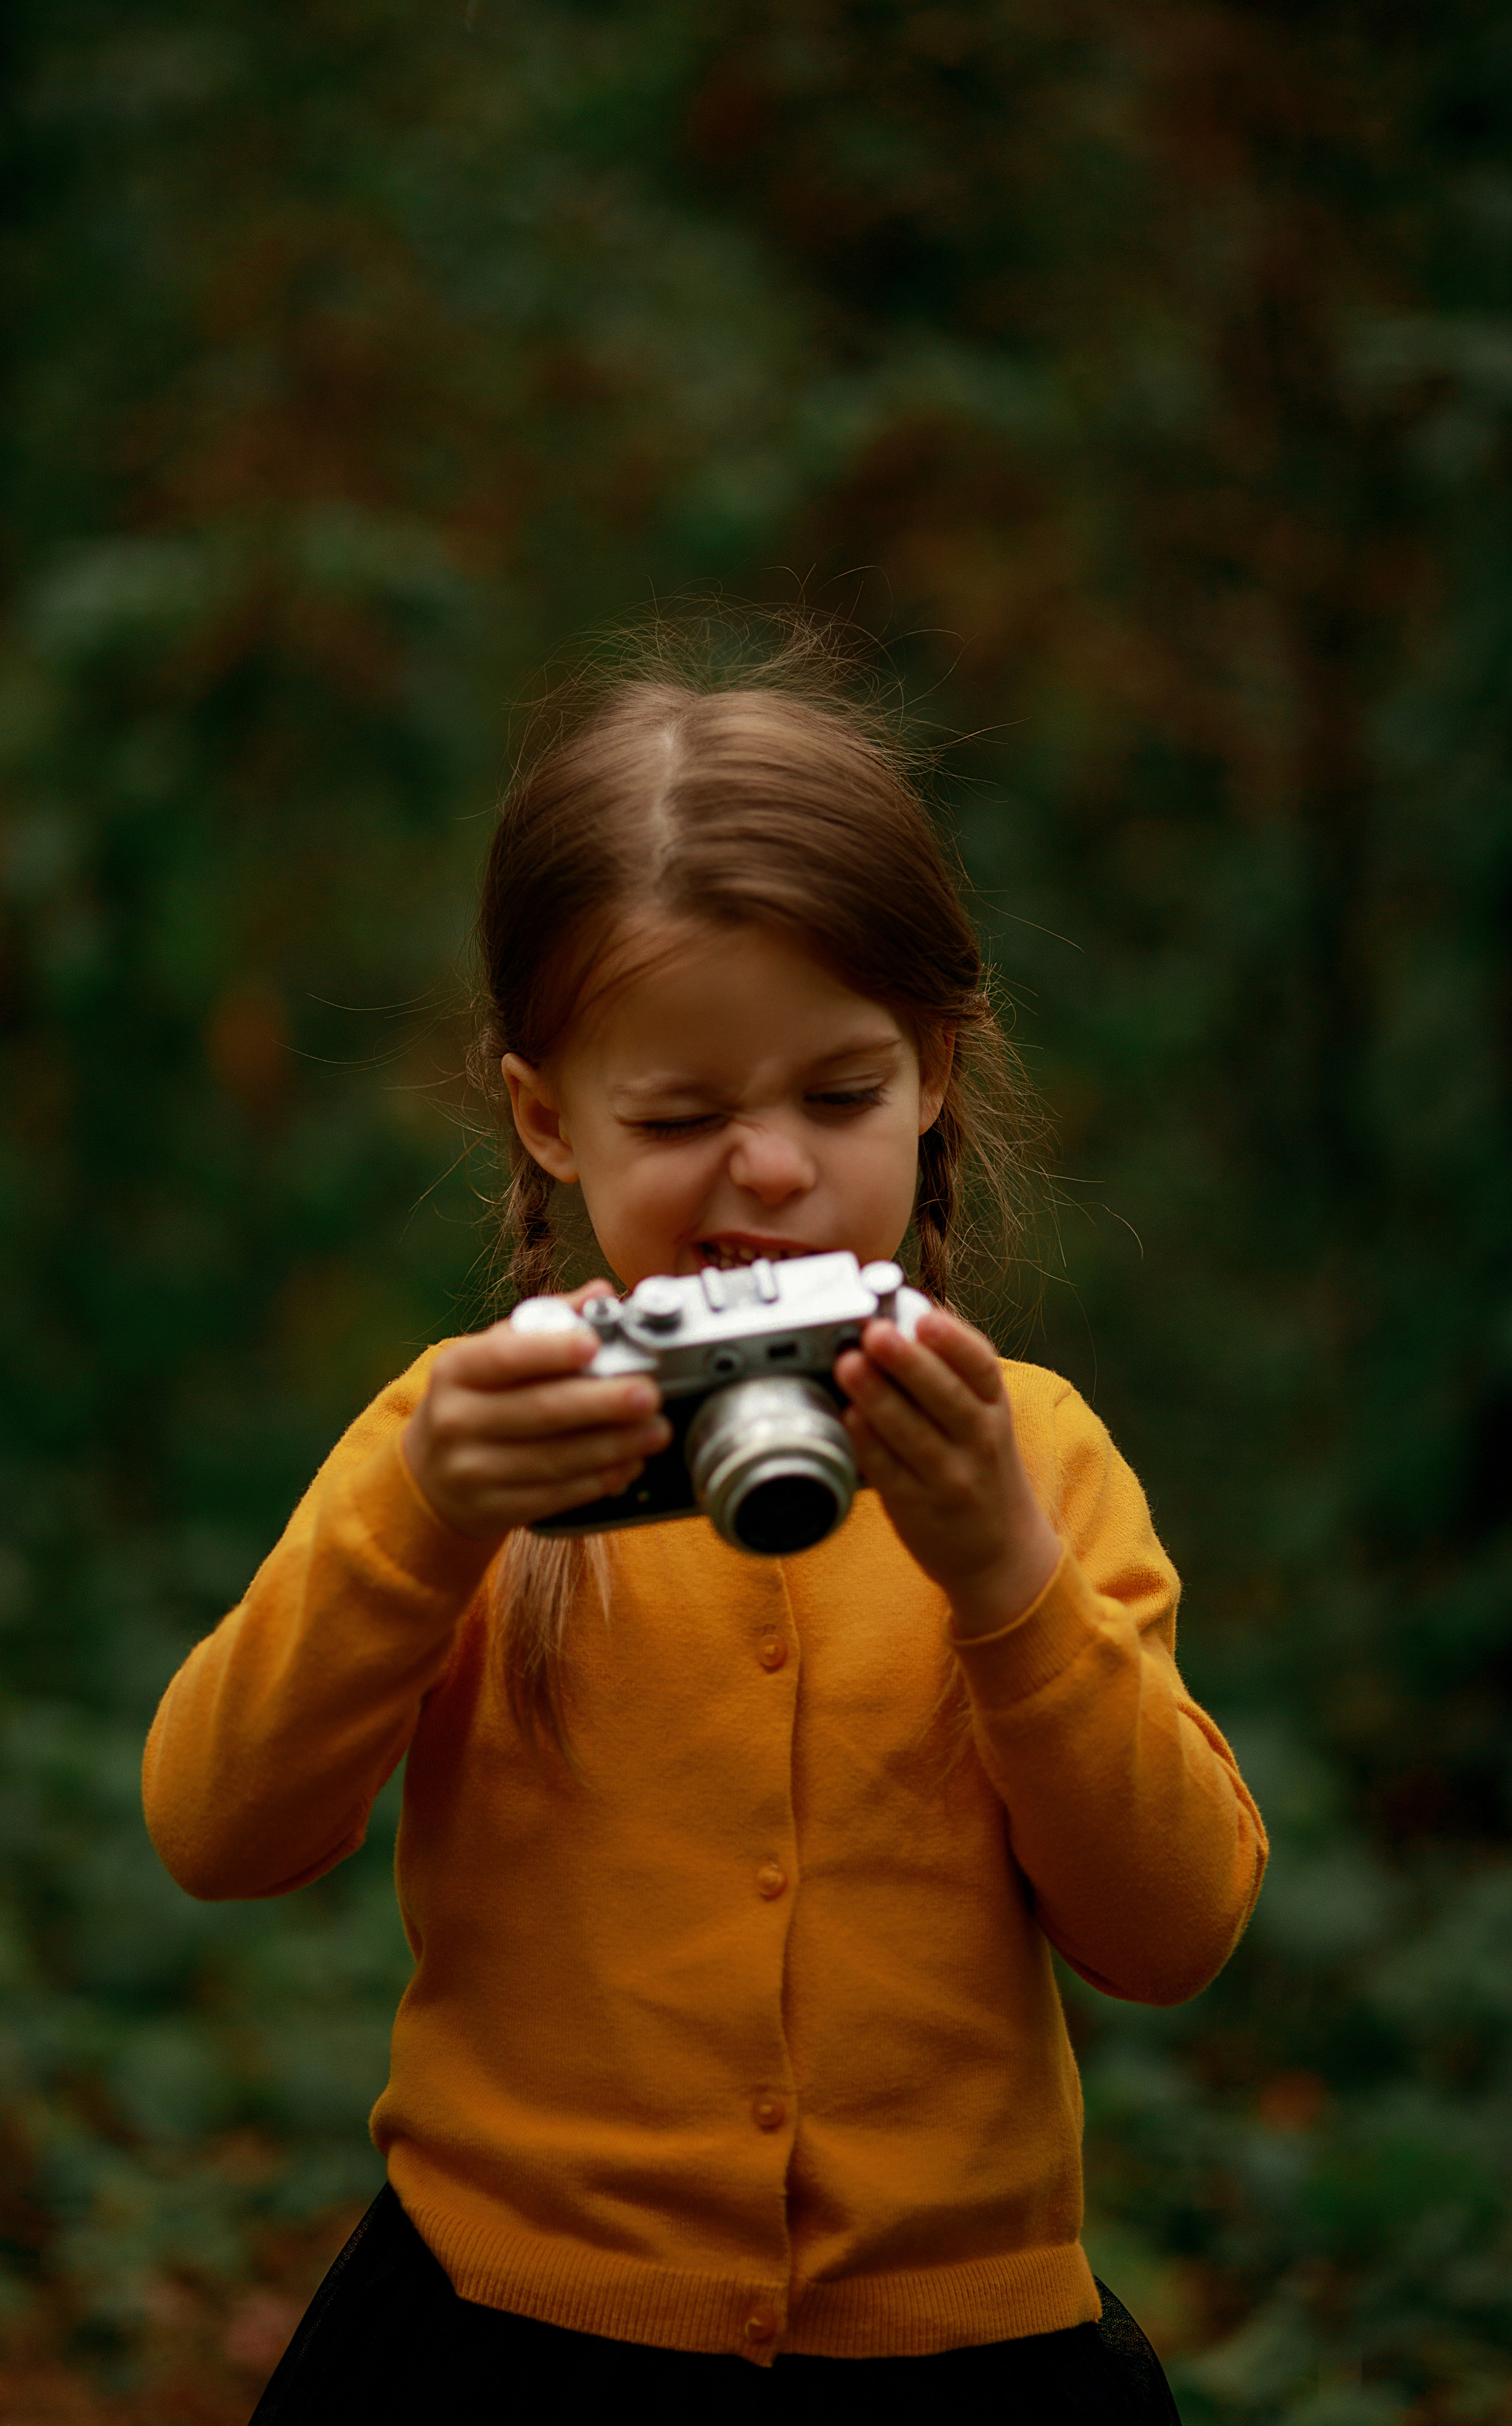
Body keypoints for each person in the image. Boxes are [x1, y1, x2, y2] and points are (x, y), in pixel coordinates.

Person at [143, 620, 1266, 2423]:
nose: (769, 1168)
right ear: (547, 1120)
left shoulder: (1028, 1458)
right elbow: (216, 1830)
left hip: (960, 2353)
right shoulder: (480, 1445)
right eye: (677, 1112)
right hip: (508, 2337)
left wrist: (1005, 1582)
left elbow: (1177, 1935)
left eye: (840, 1094)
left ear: (937, 1079)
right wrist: (424, 1515)